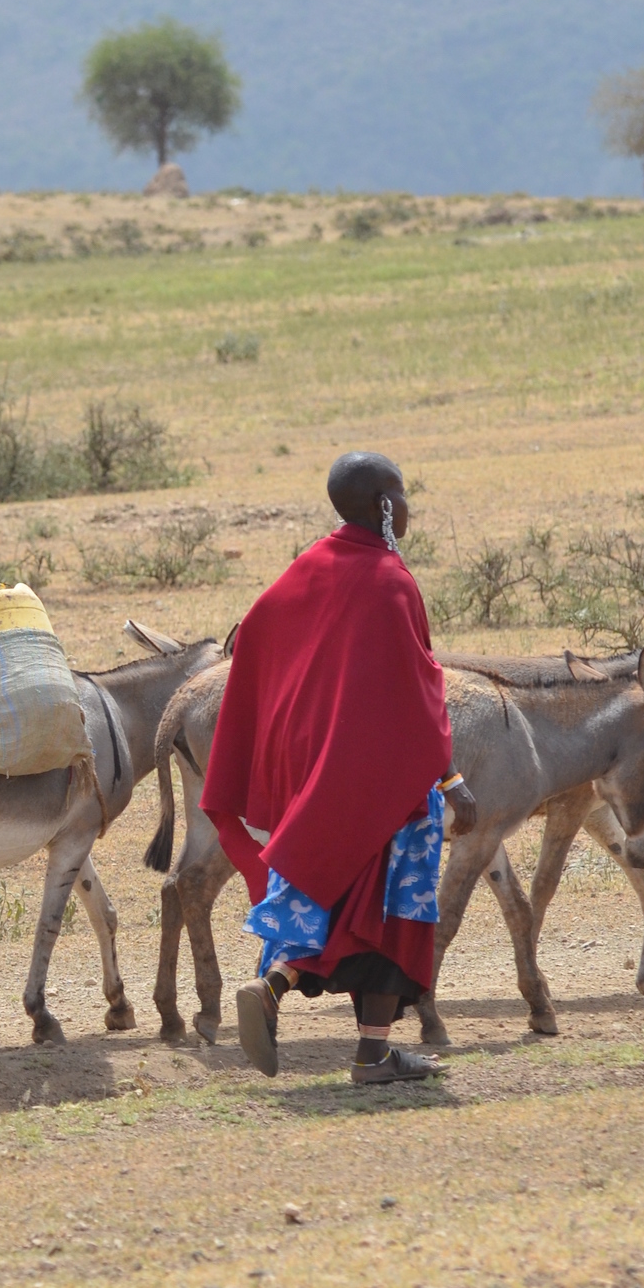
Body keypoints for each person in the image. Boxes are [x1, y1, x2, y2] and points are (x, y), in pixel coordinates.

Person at [201, 450, 478, 1084]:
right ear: (384, 505)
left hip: (319, 771)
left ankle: (282, 986)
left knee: (338, 895)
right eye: (402, 495)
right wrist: (452, 777)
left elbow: (256, 633)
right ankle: (368, 1052)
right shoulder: (390, 580)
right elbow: (416, 689)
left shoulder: (305, 568)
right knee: (386, 913)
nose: (408, 507)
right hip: (388, 781)